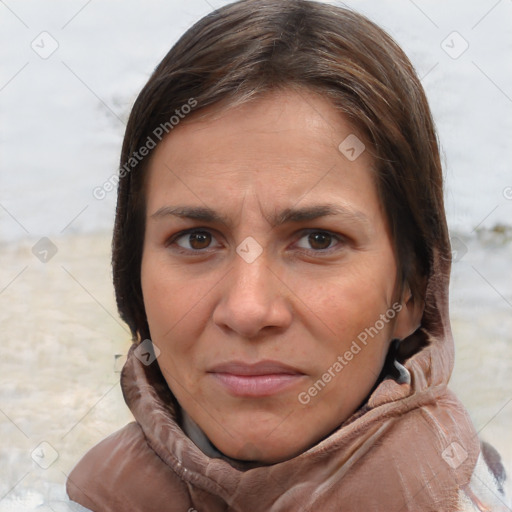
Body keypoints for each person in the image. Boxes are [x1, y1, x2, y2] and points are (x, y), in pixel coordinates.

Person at [66, 0, 508, 510]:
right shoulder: (85, 497)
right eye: (197, 239)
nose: (249, 310)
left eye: (318, 240)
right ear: (133, 281)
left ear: (411, 290)